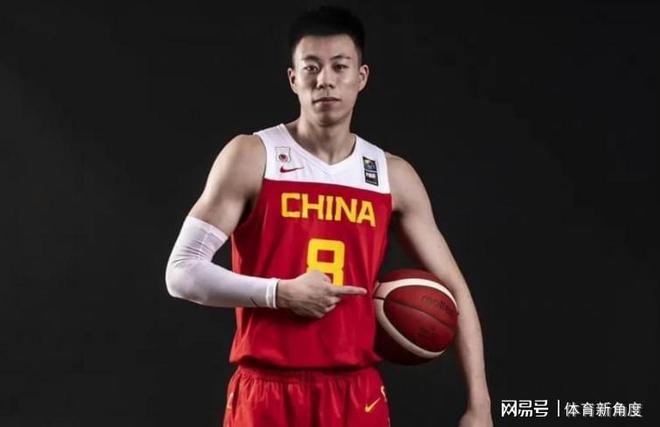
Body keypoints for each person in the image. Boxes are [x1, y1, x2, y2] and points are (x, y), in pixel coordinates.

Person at [165, 5, 493, 427]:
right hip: (266, 391)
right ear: (293, 78)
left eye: (340, 66)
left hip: (356, 393)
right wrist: (279, 293)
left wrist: (480, 405)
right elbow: (181, 272)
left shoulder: (391, 175)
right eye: (311, 67)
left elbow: (454, 290)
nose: (325, 80)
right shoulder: (252, 156)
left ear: (361, 76)